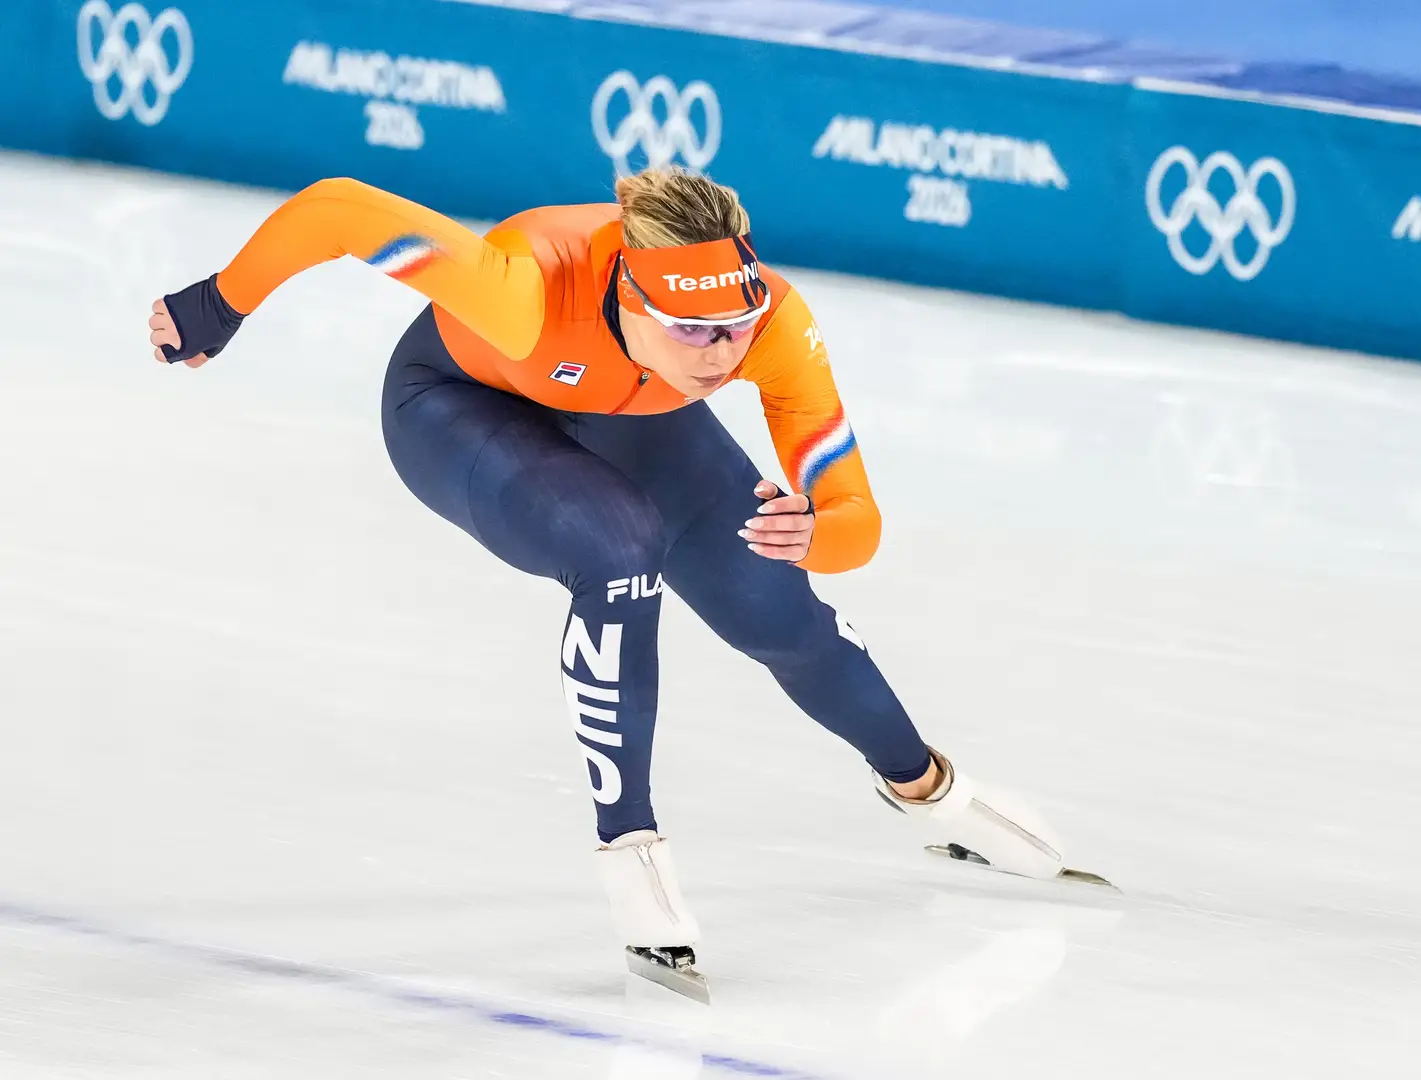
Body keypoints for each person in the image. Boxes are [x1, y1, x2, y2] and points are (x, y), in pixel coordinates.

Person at [146, 168, 1087, 1000]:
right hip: (458, 405)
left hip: (629, 405)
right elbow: (338, 210)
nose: (723, 355)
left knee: (777, 609)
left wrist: (819, 531)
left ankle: (934, 793)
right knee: (619, 551)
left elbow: (859, 526)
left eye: (735, 328)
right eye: (695, 333)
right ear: (631, 303)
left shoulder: (773, 328)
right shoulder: (522, 288)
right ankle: (630, 845)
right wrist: (214, 307)